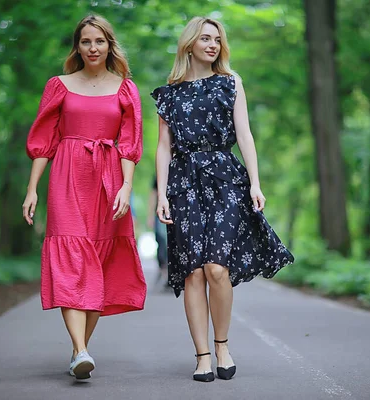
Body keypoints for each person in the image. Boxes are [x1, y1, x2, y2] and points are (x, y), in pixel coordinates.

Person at [151, 17, 294, 382]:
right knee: (193, 273)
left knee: (217, 268)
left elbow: (244, 135)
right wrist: (163, 194)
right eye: (205, 38)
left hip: (226, 178)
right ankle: (201, 356)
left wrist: (255, 183)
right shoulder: (169, 94)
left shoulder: (231, 84)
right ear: (189, 44)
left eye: (217, 39)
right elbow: (163, 147)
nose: (213, 45)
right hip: (184, 183)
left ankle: (222, 346)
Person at [22, 14, 146, 380]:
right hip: (67, 173)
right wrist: (32, 189)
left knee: (101, 259)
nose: (93, 48)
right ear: (77, 46)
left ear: (110, 45)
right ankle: (80, 350)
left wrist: (126, 187)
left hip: (109, 178)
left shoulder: (126, 88)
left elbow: (129, 144)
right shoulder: (58, 86)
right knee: (70, 255)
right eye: (86, 42)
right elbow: (44, 141)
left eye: (100, 42)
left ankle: (80, 350)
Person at [147, 176, 170, 290]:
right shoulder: (159, 175)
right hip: (161, 212)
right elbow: (153, 195)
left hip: (176, 211)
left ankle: (170, 274)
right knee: (161, 242)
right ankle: (165, 273)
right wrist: (150, 216)